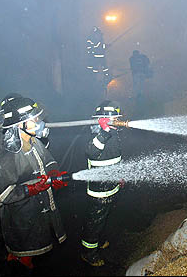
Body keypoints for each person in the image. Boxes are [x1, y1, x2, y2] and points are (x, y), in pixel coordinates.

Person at [0, 96, 68, 273]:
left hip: (39, 211)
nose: (39, 122)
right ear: (20, 125)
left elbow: (48, 160)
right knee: (24, 260)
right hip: (23, 218)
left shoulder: (34, 142)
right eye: (34, 119)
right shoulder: (9, 157)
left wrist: (53, 172)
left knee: (40, 252)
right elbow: (2, 194)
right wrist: (31, 189)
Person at [80, 100, 125, 267]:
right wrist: (104, 131)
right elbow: (91, 152)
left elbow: (117, 158)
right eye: (116, 118)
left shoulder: (114, 133)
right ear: (106, 119)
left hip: (112, 186)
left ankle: (98, 240)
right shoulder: (98, 135)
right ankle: (88, 253)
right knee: (94, 223)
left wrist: (120, 175)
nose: (119, 121)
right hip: (99, 192)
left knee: (103, 218)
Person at [86, 26, 110, 98]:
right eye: (98, 34)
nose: (99, 35)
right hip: (94, 58)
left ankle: (106, 77)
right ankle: (94, 80)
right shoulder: (90, 40)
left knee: (105, 68)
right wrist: (102, 46)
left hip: (101, 57)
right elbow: (94, 48)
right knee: (94, 70)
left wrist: (106, 46)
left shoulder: (99, 39)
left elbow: (101, 47)